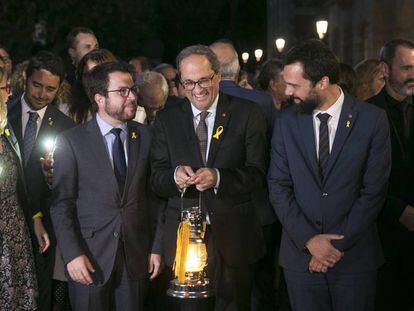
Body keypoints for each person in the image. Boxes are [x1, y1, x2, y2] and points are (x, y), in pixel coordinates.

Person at [268, 39, 391, 311]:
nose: (287, 92)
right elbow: (278, 186)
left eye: (295, 85)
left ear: (322, 82)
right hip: (301, 259)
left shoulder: (372, 120)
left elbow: (373, 192)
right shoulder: (286, 122)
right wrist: (310, 241)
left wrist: (334, 247)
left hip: (354, 260)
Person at [151, 45, 267, 310]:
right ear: (180, 84)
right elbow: (156, 179)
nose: (197, 89)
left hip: (235, 240)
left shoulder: (247, 113)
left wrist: (218, 178)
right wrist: (175, 177)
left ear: (217, 76)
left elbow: (257, 173)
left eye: (203, 80)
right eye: (189, 82)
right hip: (184, 243)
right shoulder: (167, 119)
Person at [50, 61, 162, 311]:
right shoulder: (72, 141)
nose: (132, 96)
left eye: (132, 89)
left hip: (135, 258)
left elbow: (154, 198)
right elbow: (61, 204)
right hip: (88, 259)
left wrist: (156, 247)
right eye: (122, 91)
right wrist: (72, 254)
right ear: (99, 98)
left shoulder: (146, 136)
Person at [210, 40, 279, 311]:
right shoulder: (263, 102)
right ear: (238, 70)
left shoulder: (201, 103)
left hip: (217, 208)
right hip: (259, 207)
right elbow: (273, 155)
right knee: (257, 286)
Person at [7, 51, 75, 311]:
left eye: (50, 89)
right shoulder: (5, 114)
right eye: (37, 85)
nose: (41, 94)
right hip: (7, 218)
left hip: (44, 225)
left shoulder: (65, 127)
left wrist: (51, 179)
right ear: (25, 78)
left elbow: (68, 184)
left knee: (41, 293)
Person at [366, 38, 414, 311]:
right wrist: (398, 210)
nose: (413, 75)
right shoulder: (366, 112)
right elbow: (358, 177)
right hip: (382, 232)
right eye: (406, 68)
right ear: (384, 70)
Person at [0, 66, 38, 311]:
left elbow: (19, 180)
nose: (10, 94)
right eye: (4, 88)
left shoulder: (6, 128)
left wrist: (35, 216)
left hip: (13, 228)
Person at [69, 48, 117, 124]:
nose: (90, 80)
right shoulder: (69, 111)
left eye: (96, 74)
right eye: (86, 75)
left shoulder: (132, 111)